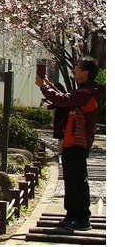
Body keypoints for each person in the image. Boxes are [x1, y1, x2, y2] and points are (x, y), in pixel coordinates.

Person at [36, 55, 103, 231]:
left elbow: (63, 100)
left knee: (78, 180)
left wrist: (44, 86)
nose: (74, 69)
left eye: (78, 67)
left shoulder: (86, 92)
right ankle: (73, 214)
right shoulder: (82, 91)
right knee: (71, 179)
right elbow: (64, 97)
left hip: (77, 142)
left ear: (85, 73)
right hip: (71, 141)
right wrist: (47, 84)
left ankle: (82, 217)